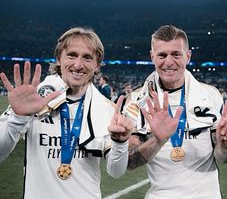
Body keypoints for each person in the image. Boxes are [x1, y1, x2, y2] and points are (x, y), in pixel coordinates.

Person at [0, 27, 134, 199]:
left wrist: (121, 143)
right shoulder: (35, 99)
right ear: (58, 58)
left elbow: (116, 171)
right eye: (71, 55)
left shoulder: (107, 108)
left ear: (97, 65)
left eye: (87, 57)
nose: (78, 65)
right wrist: (17, 118)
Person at [125, 25, 227, 199]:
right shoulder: (137, 100)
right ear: (152, 56)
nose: (169, 62)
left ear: (188, 56)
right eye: (162, 55)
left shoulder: (210, 95)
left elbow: (223, 158)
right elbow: (129, 162)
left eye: (176, 54)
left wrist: (225, 146)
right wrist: (157, 140)